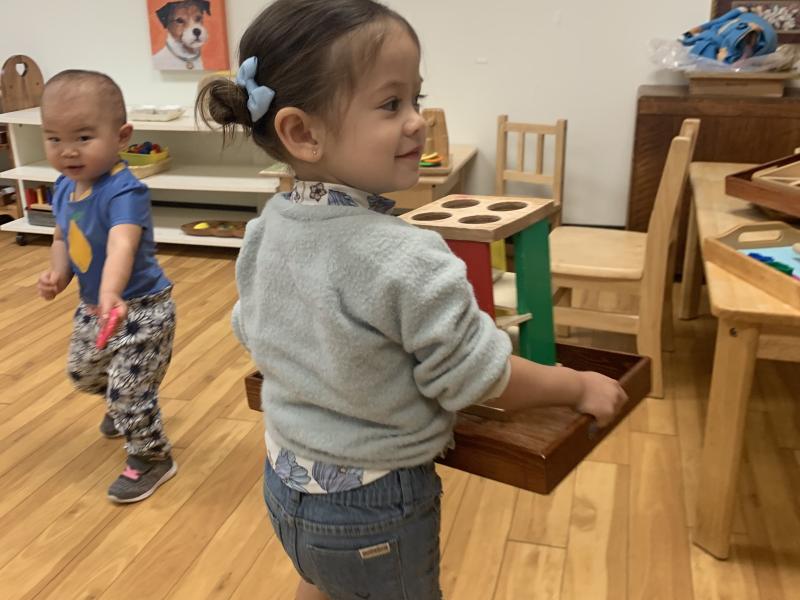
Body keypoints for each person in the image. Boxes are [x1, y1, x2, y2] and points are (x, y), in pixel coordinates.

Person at [197, 1, 626, 598]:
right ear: (302, 132)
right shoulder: (409, 256)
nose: (418, 121)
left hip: (286, 479)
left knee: (322, 583)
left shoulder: (269, 225)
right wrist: (578, 386)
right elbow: (479, 379)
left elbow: (253, 327)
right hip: (374, 504)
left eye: (416, 98)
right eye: (391, 103)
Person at [37, 70, 177, 504]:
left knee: (128, 389)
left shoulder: (124, 190)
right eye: (54, 139)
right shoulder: (63, 187)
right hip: (95, 306)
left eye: (82, 137)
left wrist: (112, 291)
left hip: (141, 308)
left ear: (121, 136)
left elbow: (121, 242)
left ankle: (151, 457)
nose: (68, 151)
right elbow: (63, 237)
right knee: (82, 373)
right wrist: (58, 274)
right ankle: (126, 409)